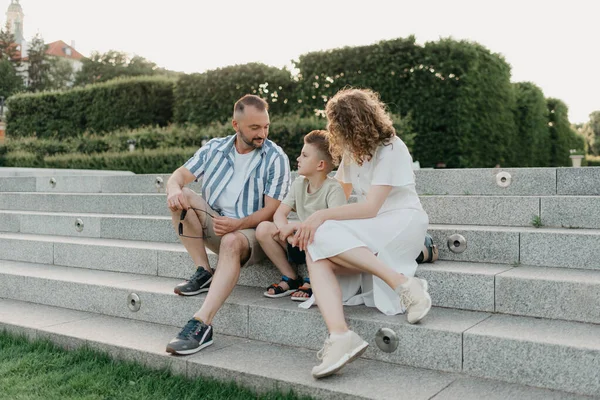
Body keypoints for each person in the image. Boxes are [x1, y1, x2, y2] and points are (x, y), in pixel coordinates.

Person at [293, 88, 431, 378]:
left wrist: (320, 217)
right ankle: (340, 335)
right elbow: (340, 198)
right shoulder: (351, 153)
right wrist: (312, 222)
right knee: (317, 244)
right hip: (374, 224)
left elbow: (370, 207)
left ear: (349, 124)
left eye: (335, 126)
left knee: (322, 233)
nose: (333, 133)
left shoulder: (393, 148)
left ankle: (402, 284)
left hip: (402, 220)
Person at [164, 94, 291, 355]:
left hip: (251, 233)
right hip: (217, 224)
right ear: (236, 125)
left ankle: (202, 323)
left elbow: (271, 210)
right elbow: (178, 176)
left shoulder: (275, 157)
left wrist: (238, 224)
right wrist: (172, 189)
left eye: (266, 126)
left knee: (233, 240)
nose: (262, 134)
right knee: (182, 197)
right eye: (255, 128)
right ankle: (203, 271)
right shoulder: (214, 148)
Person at [256, 130, 347, 300]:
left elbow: (336, 227)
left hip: (321, 247)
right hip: (299, 242)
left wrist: (297, 227)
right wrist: (286, 232)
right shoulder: (299, 184)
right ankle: (291, 277)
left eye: (304, 155)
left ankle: (313, 279)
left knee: (321, 234)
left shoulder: (333, 189)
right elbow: (279, 214)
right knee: (263, 229)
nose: (298, 159)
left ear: (320, 165)